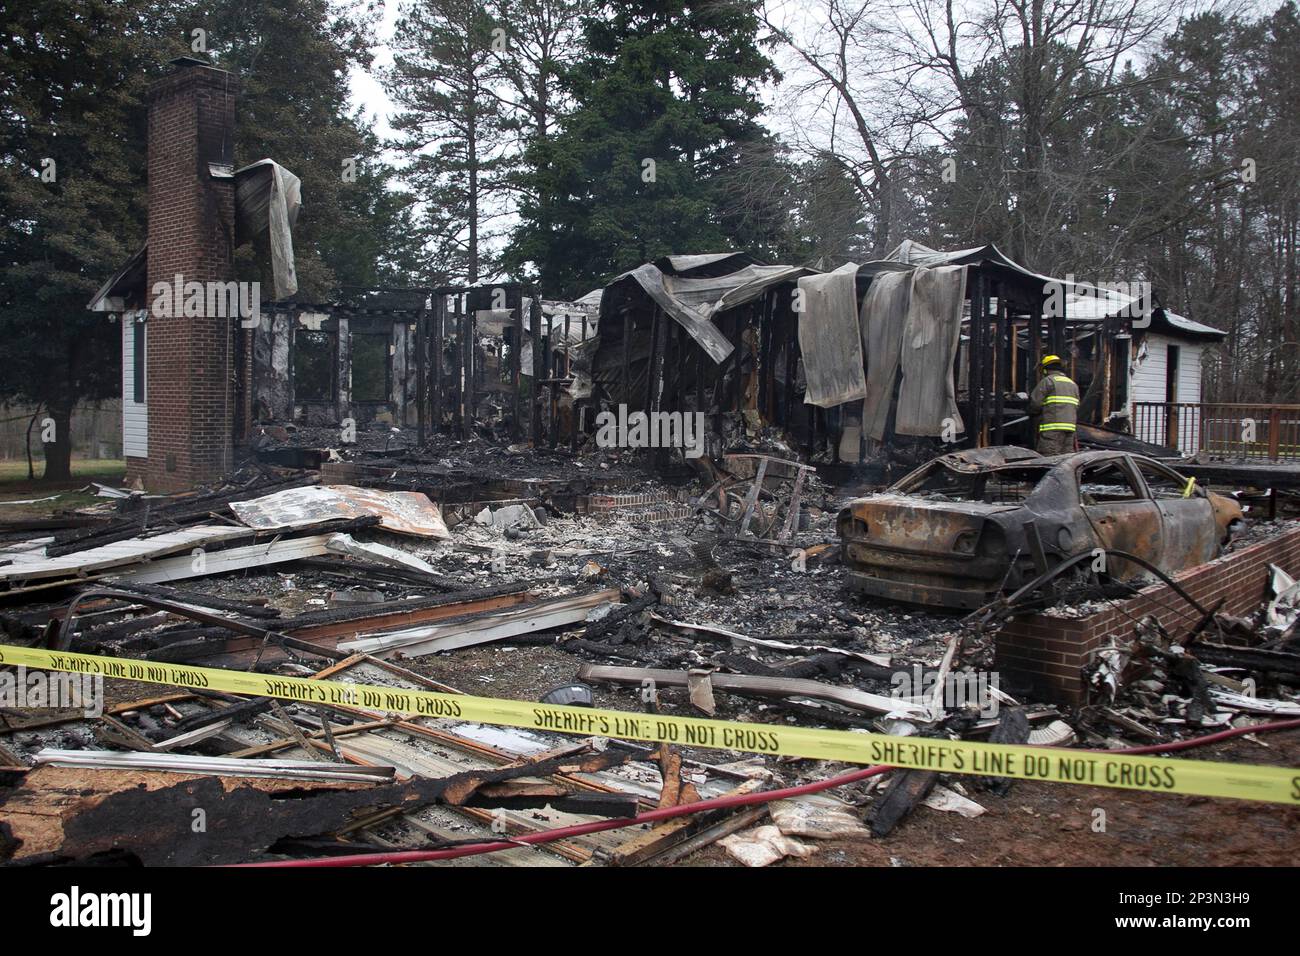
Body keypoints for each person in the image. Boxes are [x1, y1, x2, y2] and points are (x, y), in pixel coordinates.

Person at [1027, 354, 1078, 455]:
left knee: (1050, 456)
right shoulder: (1072, 384)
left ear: (1045, 370)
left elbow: (1035, 403)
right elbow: (1076, 406)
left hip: (1053, 428)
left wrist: (1031, 412)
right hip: (1070, 427)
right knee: (1067, 456)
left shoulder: (1048, 381)